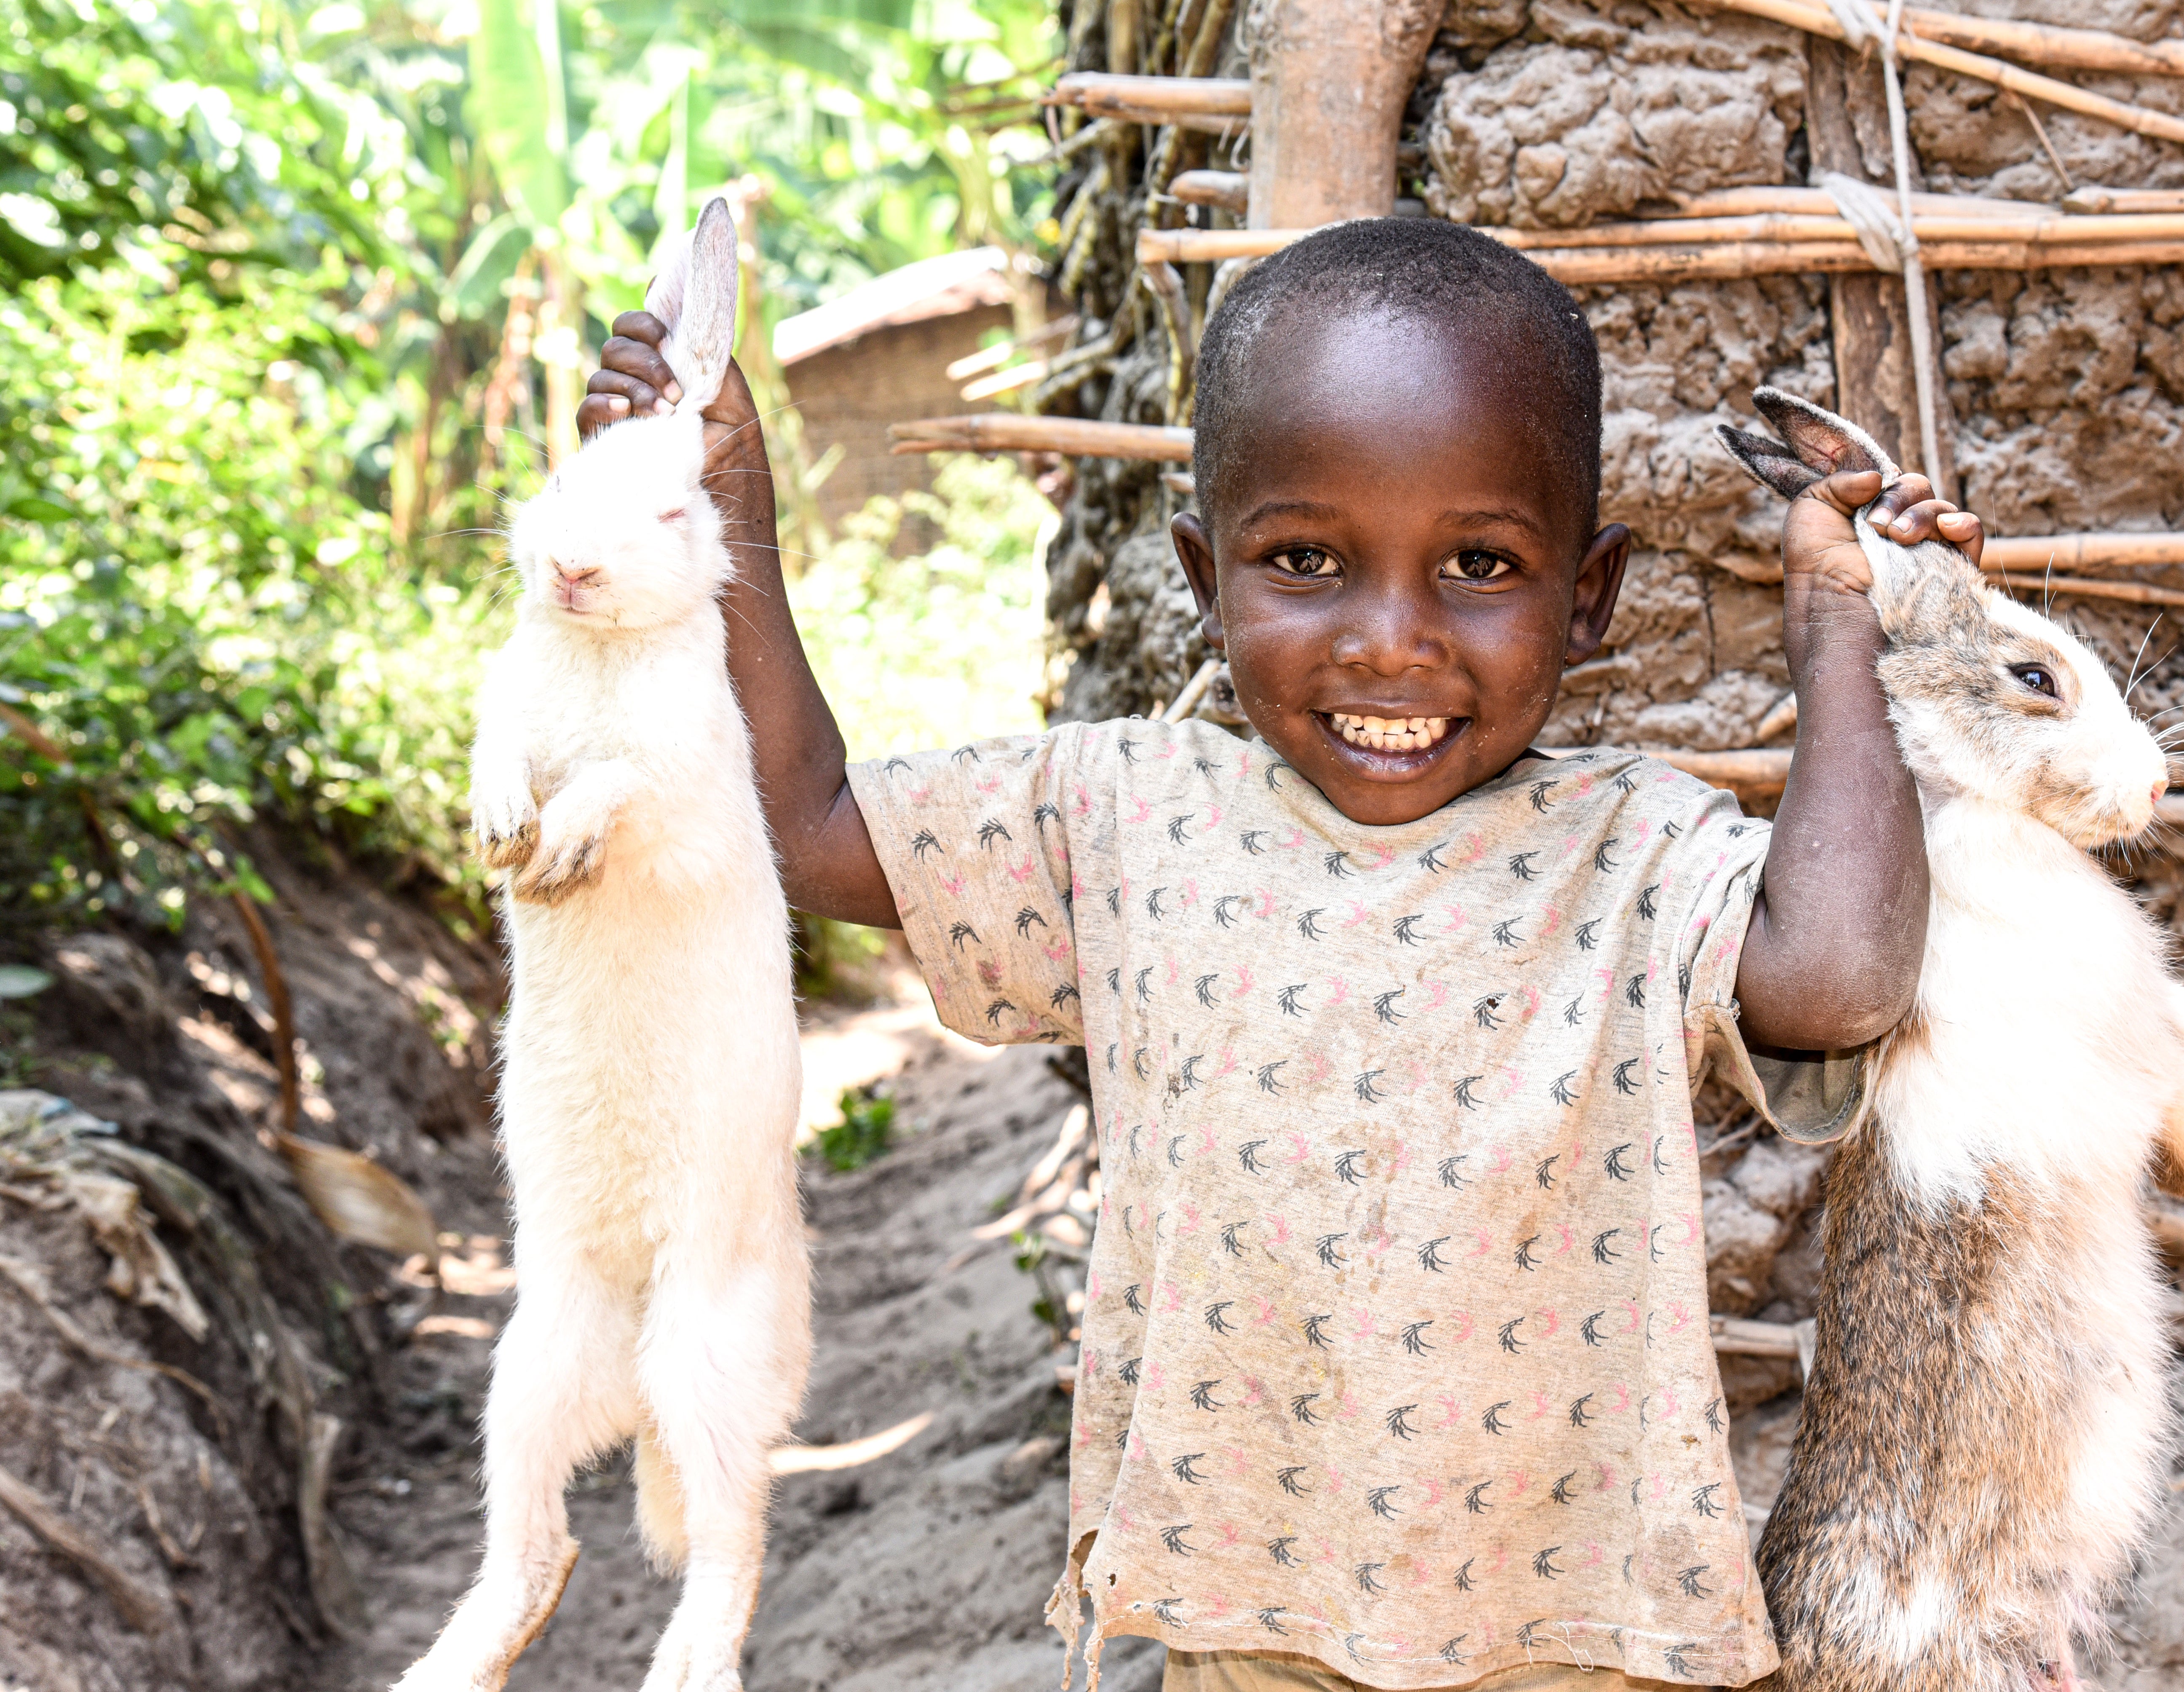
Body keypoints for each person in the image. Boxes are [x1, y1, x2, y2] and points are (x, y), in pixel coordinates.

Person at [576, 218, 1984, 1692]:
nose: (1390, 640)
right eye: (1306, 561)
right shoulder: (1123, 816)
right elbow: (807, 828)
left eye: (1479, 565)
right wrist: (720, 495)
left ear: (1588, 597)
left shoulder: (1634, 849)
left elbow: (1836, 979)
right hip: (1242, 1608)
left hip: (1572, 1625)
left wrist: (1842, 632)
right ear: (1206, 577)